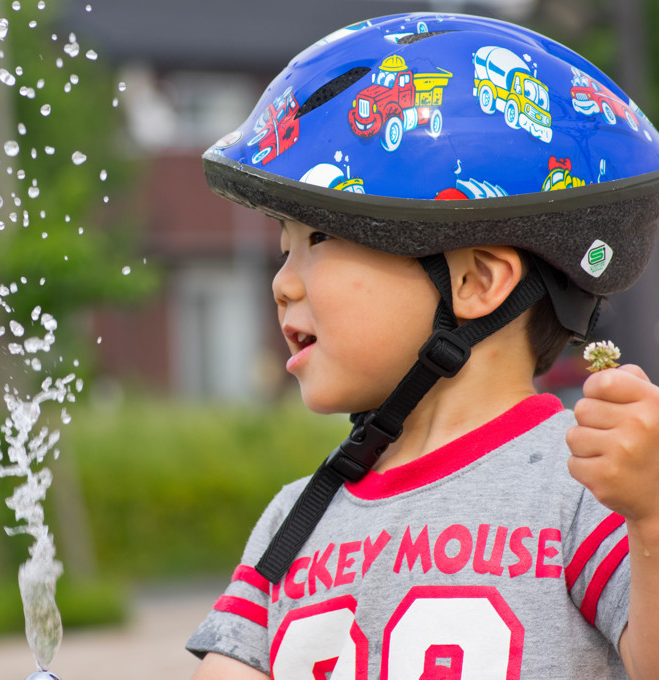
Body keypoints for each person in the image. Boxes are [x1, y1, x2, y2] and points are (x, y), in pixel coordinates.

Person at [186, 13, 659, 679]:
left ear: (476, 281)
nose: (282, 283)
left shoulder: (588, 482)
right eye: (282, 246)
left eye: (318, 240)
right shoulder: (296, 517)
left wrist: (653, 520)